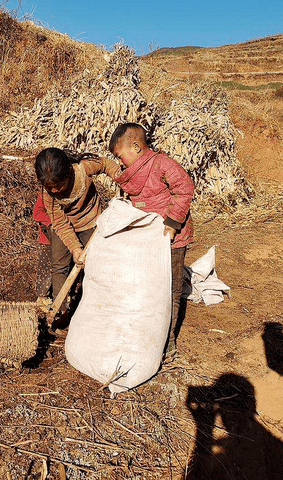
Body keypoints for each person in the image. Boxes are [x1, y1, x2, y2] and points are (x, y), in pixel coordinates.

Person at [109, 123, 194, 363]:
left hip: (172, 239)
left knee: (170, 291)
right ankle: (148, 335)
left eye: (120, 155)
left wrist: (172, 221)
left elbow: (185, 188)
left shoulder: (162, 164)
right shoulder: (131, 177)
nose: (120, 161)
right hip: (148, 242)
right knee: (149, 289)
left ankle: (168, 343)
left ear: (136, 147)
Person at [34, 147, 122, 321]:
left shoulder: (83, 169)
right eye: (49, 188)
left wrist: (120, 177)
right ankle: (61, 310)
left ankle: (95, 306)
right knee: (59, 265)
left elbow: (104, 164)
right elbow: (60, 223)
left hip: (90, 222)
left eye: (58, 186)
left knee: (95, 264)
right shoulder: (48, 195)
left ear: (68, 172)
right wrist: (75, 248)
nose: (54, 191)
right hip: (65, 226)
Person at [32, 191, 52, 310]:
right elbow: (37, 213)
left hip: (65, 237)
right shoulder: (44, 194)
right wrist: (51, 222)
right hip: (48, 239)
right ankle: (42, 297)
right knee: (45, 268)